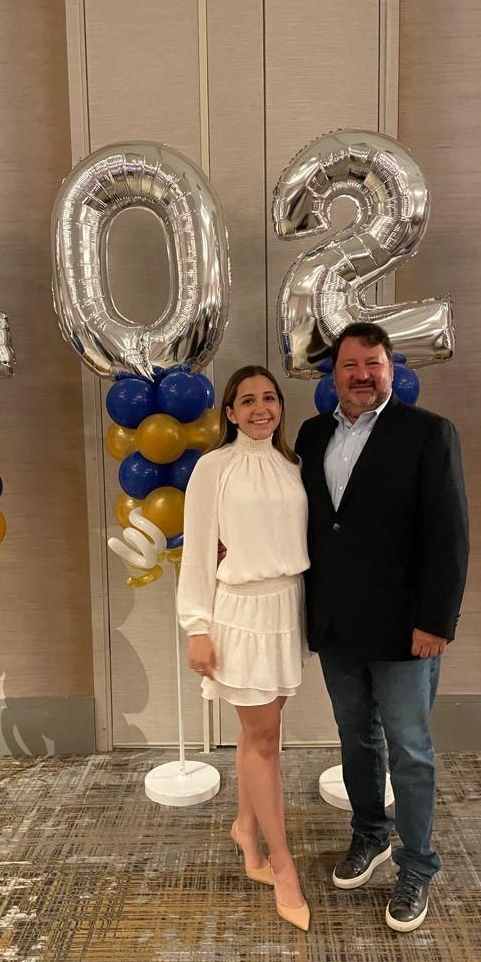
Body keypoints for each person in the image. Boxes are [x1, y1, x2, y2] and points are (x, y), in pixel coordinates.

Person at [295, 323, 469, 933]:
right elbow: (313, 529)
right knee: (355, 739)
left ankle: (418, 865)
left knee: (411, 750)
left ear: (391, 369)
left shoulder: (427, 433)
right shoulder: (312, 433)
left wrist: (435, 622)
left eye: (373, 363)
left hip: (405, 630)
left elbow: (448, 536)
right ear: (333, 373)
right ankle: (370, 834)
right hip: (338, 626)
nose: (362, 375)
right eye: (350, 365)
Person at [178, 365, 311, 932]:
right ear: (229, 412)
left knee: (261, 734)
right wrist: (196, 626)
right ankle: (282, 866)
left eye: (270, 398)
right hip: (240, 612)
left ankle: (245, 830)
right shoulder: (214, 468)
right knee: (266, 741)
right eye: (248, 400)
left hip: (287, 608)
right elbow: (198, 551)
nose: (262, 408)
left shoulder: (291, 464)